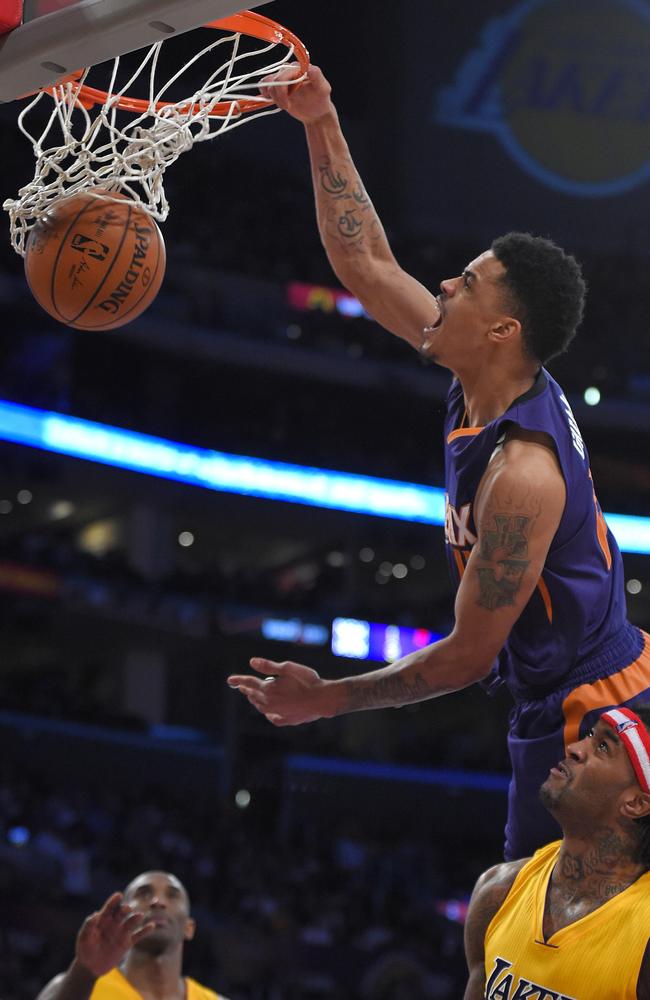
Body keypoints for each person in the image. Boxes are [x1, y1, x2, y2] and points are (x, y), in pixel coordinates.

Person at [227, 64, 650, 861]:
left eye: (469, 282)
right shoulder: (482, 376)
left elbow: (465, 656)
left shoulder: (523, 477)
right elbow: (369, 268)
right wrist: (321, 121)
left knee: (527, 942)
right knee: (509, 932)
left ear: (502, 331)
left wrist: (326, 701)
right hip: (557, 692)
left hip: (590, 710)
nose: (446, 283)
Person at [463, 703, 650, 999]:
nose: (575, 748)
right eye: (589, 735)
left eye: (602, 746)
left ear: (637, 803)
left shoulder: (644, 934)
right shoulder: (498, 890)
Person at [36, 870, 228, 1000]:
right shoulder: (76, 985)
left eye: (172, 895)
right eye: (144, 894)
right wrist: (84, 971)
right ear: (122, 916)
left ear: (189, 928)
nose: (157, 901)